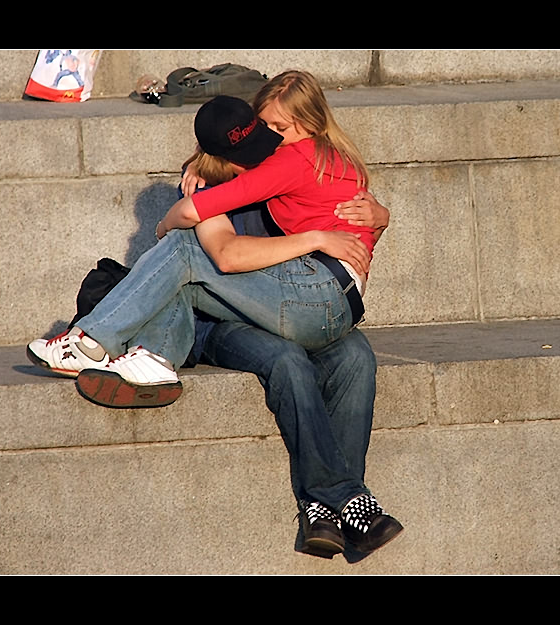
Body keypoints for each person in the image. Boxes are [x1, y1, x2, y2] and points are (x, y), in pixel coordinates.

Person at [28, 83, 403, 556]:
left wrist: (378, 216)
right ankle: (108, 345)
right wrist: (314, 238)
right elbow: (223, 255)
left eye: (272, 135)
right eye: (259, 137)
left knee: (355, 355)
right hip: (229, 318)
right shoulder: (216, 181)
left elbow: (345, 218)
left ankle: (328, 510)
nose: (265, 147)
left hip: (298, 300)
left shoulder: (288, 164)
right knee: (285, 358)